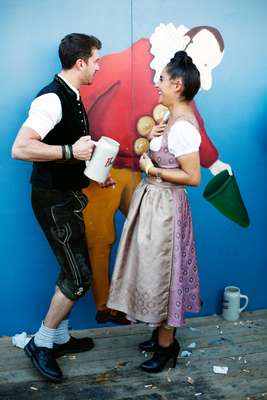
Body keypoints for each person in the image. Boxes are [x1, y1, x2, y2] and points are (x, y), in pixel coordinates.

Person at [80, 24, 231, 325]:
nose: (158, 85)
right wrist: (82, 138)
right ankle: (106, 304)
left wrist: (212, 162)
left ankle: (152, 321)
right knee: (102, 237)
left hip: (146, 180)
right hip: (107, 168)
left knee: (149, 254)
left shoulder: (181, 108)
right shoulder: (138, 59)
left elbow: (192, 136)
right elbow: (90, 89)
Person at [11, 33, 106, 383]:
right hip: (53, 202)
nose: (99, 65)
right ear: (80, 62)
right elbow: (20, 148)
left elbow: (74, 149)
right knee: (79, 277)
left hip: (67, 198)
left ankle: (61, 338)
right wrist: (69, 152)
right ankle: (42, 343)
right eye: (96, 59)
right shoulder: (51, 98)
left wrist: (93, 173)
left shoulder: (74, 94)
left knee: (71, 271)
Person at [107, 51, 202, 373]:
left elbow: (192, 177)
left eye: (161, 79)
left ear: (177, 85)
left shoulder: (183, 127)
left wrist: (151, 169)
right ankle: (159, 334)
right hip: (155, 204)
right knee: (154, 271)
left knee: (164, 272)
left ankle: (166, 347)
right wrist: (151, 141)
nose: (155, 84)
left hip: (166, 209)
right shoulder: (169, 120)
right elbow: (165, 158)